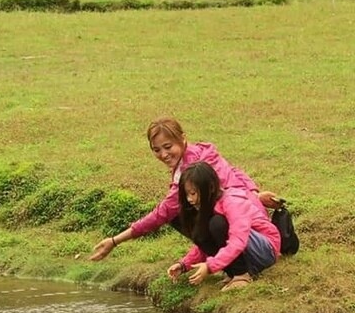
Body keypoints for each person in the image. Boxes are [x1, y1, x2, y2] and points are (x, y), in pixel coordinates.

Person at [90, 117, 280, 261]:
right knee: (189, 213)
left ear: (183, 139)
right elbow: (233, 171)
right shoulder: (199, 153)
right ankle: (221, 260)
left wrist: (115, 241)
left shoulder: (193, 168)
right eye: (156, 150)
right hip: (248, 217)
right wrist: (255, 193)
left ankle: (237, 269)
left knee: (196, 218)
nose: (163, 154)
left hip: (255, 235)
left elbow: (163, 212)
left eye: (167, 146)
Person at [166, 162, 281, 291]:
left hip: (265, 251)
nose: (190, 200)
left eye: (193, 194)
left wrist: (210, 266)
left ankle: (241, 275)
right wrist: (183, 265)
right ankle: (232, 273)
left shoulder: (232, 202)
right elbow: (204, 242)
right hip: (246, 251)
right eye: (186, 195)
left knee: (217, 224)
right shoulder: (209, 206)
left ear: (209, 188)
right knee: (200, 231)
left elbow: (238, 240)